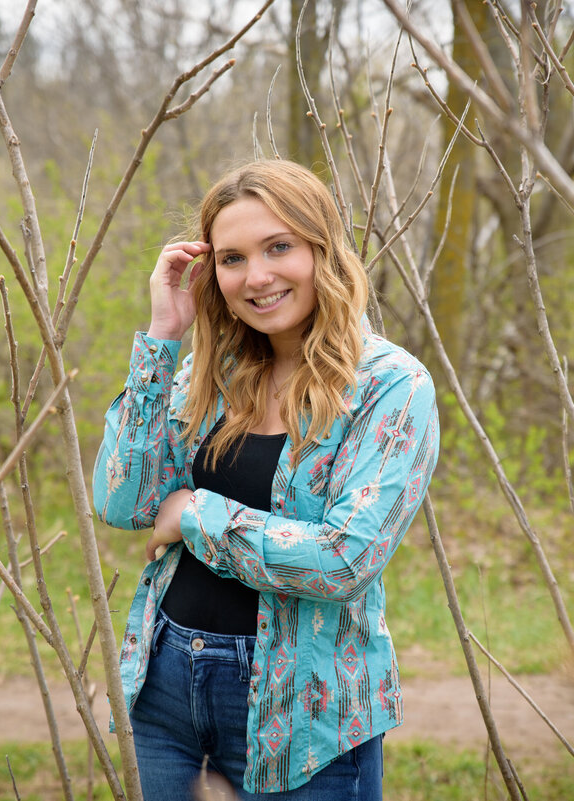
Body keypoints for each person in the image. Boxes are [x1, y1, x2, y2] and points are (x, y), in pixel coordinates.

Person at [93, 159, 439, 800]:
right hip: (165, 690)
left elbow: (344, 559)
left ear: (322, 250)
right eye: (231, 259)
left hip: (305, 716)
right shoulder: (211, 369)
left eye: (278, 247)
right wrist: (163, 337)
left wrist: (197, 514)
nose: (256, 277)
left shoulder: (391, 387)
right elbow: (124, 499)